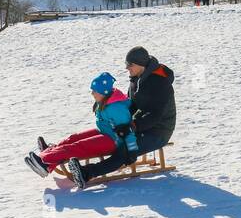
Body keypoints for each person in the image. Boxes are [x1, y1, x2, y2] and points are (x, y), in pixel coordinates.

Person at [67, 47, 175, 188]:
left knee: (125, 149)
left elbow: (156, 115)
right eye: (126, 64)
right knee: (114, 137)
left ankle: (86, 173)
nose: (127, 68)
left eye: (130, 65)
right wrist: (107, 106)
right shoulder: (137, 79)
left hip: (159, 131)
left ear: (140, 64)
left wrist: (132, 126)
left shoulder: (159, 83)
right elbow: (132, 104)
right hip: (141, 125)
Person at [25, 72, 138, 177]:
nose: (92, 93)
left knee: (77, 146)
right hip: (105, 132)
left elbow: (128, 131)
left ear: (104, 92)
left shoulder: (116, 108)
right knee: (73, 138)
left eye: (95, 91)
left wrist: (132, 151)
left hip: (114, 141)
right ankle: (47, 157)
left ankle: (45, 160)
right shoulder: (105, 100)